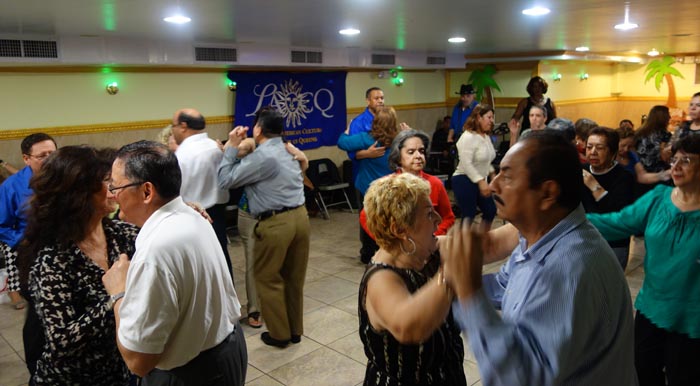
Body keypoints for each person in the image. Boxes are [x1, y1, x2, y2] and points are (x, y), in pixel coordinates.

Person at [441, 131, 637, 385]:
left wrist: (470, 296)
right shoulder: (537, 238)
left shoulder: (568, 268)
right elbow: (505, 285)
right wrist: (454, 283)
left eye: (508, 176)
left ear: (547, 194)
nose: (493, 185)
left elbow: (520, 377)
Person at [103, 141, 246, 384]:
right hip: (227, 350)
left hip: (191, 374)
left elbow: (139, 362)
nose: (111, 195)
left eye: (116, 187)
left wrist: (118, 294)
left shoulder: (155, 252)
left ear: (147, 192)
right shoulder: (192, 214)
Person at [17, 146, 136, 386]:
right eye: (105, 181)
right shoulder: (53, 258)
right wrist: (115, 299)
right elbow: (62, 341)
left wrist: (183, 211)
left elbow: (160, 236)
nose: (113, 188)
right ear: (79, 195)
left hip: (117, 372)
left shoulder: (121, 234)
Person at [588, 134, 700, 386]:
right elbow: (618, 223)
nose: (676, 167)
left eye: (687, 161)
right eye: (674, 160)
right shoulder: (659, 198)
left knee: (684, 376)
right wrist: (571, 219)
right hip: (651, 308)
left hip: (692, 318)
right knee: (643, 371)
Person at [359, 172, 467, 386]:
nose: (438, 219)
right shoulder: (381, 279)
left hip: (447, 374)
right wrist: (451, 273)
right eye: (428, 214)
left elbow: (493, 244)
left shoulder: (430, 249)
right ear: (400, 229)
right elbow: (409, 327)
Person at [217, 107, 310, 348]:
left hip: (276, 223)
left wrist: (229, 148)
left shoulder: (264, 155)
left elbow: (226, 180)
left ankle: (279, 335)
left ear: (258, 129)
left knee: (268, 278)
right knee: (293, 277)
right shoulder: (286, 149)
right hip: (300, 217)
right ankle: (294, 329)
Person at [170, 108, 232, 278]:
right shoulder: (214, 146)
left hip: (194, 216)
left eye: (173, 126)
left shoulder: (183, 155)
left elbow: (177, 190)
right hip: (218, 212)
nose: (172, 130)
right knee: (221, 259)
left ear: (183, 126)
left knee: (201, 267)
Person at [359, 129, 456, 239]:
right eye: (411, 152)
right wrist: (388, 241)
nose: (418, 156)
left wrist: (432, 237)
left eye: (422, 151)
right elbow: (364, 217)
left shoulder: (435, 183)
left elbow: (448, 217)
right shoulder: (387, 185)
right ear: (398, 156)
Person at [0, 133, 56, 312]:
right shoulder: (12, 187)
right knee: (38, 309)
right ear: (26, 158)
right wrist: (22, 241)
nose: (49, 160)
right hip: (33, 252)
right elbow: (2, 225)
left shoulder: (67, 178)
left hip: (66, 248)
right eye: (42, 156)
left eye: (52, 154)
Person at [338, 106, 400, 262]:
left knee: (368, 221)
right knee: (390, 221)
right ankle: (389, 251)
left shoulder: (367, 138)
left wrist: (347, 131)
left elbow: (342, 142)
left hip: (368, 187)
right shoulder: (401, 140)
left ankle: (368, 254)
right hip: (391, 188)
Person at [342, 87, 389, 264]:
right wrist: (367, 154)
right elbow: (350, 149)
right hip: (366, 177)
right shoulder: (359, 122)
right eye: (376, 98)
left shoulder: (386, 119)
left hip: (387, 177)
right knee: (368, 216)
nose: (380, 101)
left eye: (382, 97)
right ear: (367, 101)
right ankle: (368, 252)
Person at [581, 127, 635, 269]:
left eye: (599, 148)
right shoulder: (580, 171)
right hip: (584, 239)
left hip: (613, 243)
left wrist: (594, 186)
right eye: (589, 147)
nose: (593, 152)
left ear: (612, 152)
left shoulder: (624, 177)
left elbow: (618, 215)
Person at [452, 104, 497, 231]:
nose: (491, 121)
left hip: (480, 179)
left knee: (491, 210)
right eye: (489, 117)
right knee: (469, 214)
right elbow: (467, 163)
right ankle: (462, 244)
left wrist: (492, 173)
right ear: (479, 118)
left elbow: (485, 160)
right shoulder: (468, 137)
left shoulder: (485, 137)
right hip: (464, 179)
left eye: (492, 117)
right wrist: (481, 181)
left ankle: (481, 239)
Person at [635, 105, 673, 197]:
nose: (670, 117)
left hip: (640, 173)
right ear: (663, 118)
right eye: (668, 115)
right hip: (659, 175)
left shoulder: (639, 132)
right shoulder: (664, 135)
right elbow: (665, 157)